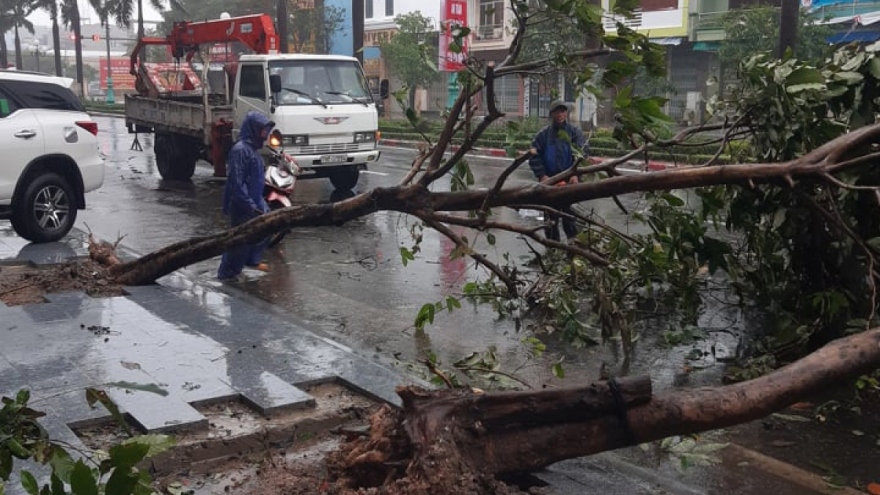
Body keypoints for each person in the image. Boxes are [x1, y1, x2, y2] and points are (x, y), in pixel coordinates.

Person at [217, 111, 275, 281]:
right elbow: (237, 181)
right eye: (263, 131)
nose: (265, 135)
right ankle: (228, 274)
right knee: (239, 242)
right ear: (253, 130)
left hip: (255, 202)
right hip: (243, 205)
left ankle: (250, 261)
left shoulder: (252, 151)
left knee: (266, 229)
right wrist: (249, 204)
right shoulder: (241, 151)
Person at [528, 99, 588, 242]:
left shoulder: (574, 133)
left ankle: (573, 244)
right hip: (549, 182)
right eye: (557, 111)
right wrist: (542, 176)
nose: (560, 114)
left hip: (569, 181)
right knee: (550, 218)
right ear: (552, 114)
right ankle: (553, 247)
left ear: (566, 113)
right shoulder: (543, 135)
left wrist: (576, 175)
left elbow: (582, 153)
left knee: (568, 215)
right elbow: (534, 156)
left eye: (563, 111)